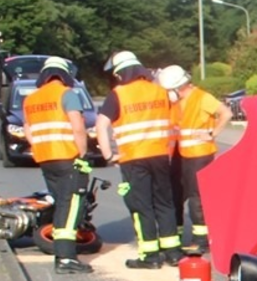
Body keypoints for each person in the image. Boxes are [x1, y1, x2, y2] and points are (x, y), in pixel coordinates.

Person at [95, 51, 182, 269]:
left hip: (133, 159)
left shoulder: (118, 94)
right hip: (160, 155)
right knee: (164, 203)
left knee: (142, 206)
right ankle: (172, 252)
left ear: (120, 73)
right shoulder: (159, 91)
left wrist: (108, 155)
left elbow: (101, 125)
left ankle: (150, 256)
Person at [23, 56, 94, 274]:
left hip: (45, 159)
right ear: (64, 75)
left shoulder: (31, 99)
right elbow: (78, 127)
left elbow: (28, 130)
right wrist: (82, 154)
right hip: (67, 157)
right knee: (70, 207)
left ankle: (62, 254)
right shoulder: (67, 94)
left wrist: (40, 147)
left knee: (60, 204)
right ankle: (65, 258)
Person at [156, 64, 232, 254]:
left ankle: (202, 239)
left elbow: (226, 113)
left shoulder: (202, 98)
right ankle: (177, 233)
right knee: (179, 194)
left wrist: (212, 133)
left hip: (200, 155)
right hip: (183, 155)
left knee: (196, 198)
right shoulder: (178, 103)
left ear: (176, 87)